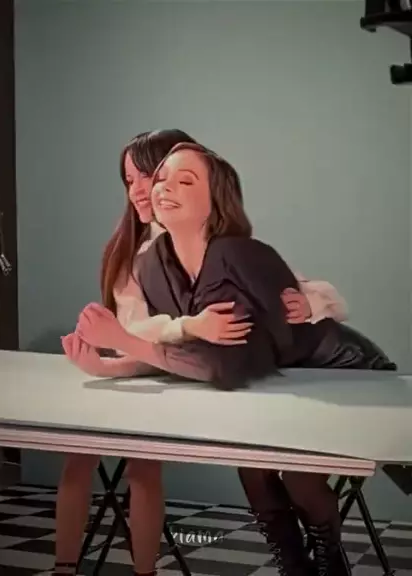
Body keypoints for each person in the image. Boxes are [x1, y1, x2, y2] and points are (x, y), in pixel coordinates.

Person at [76, 142, 395, 576]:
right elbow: (185, 353)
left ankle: (329, 556)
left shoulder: (236, 255)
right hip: (282, 377)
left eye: (184, 181)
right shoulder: (152, 266)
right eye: (161, 178)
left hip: (344, 372)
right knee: (252, 467)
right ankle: (293, 565)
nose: (160, 188)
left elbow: (225, 365)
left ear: (216, 202)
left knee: (300, 473)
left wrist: (124, 342)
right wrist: (112, 363)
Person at [57, 129, 254, 576]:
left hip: (172, 375)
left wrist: (311, 303)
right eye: (129, 180)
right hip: (140, 367)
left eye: (148, 175)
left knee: (143, 467)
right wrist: (108, 363)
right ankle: (64, 567)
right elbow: (132, 332)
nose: (138, 189)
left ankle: (144, 570)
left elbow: (164, 340)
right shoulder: (131, 249)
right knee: (78, 454)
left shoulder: (209, 242)